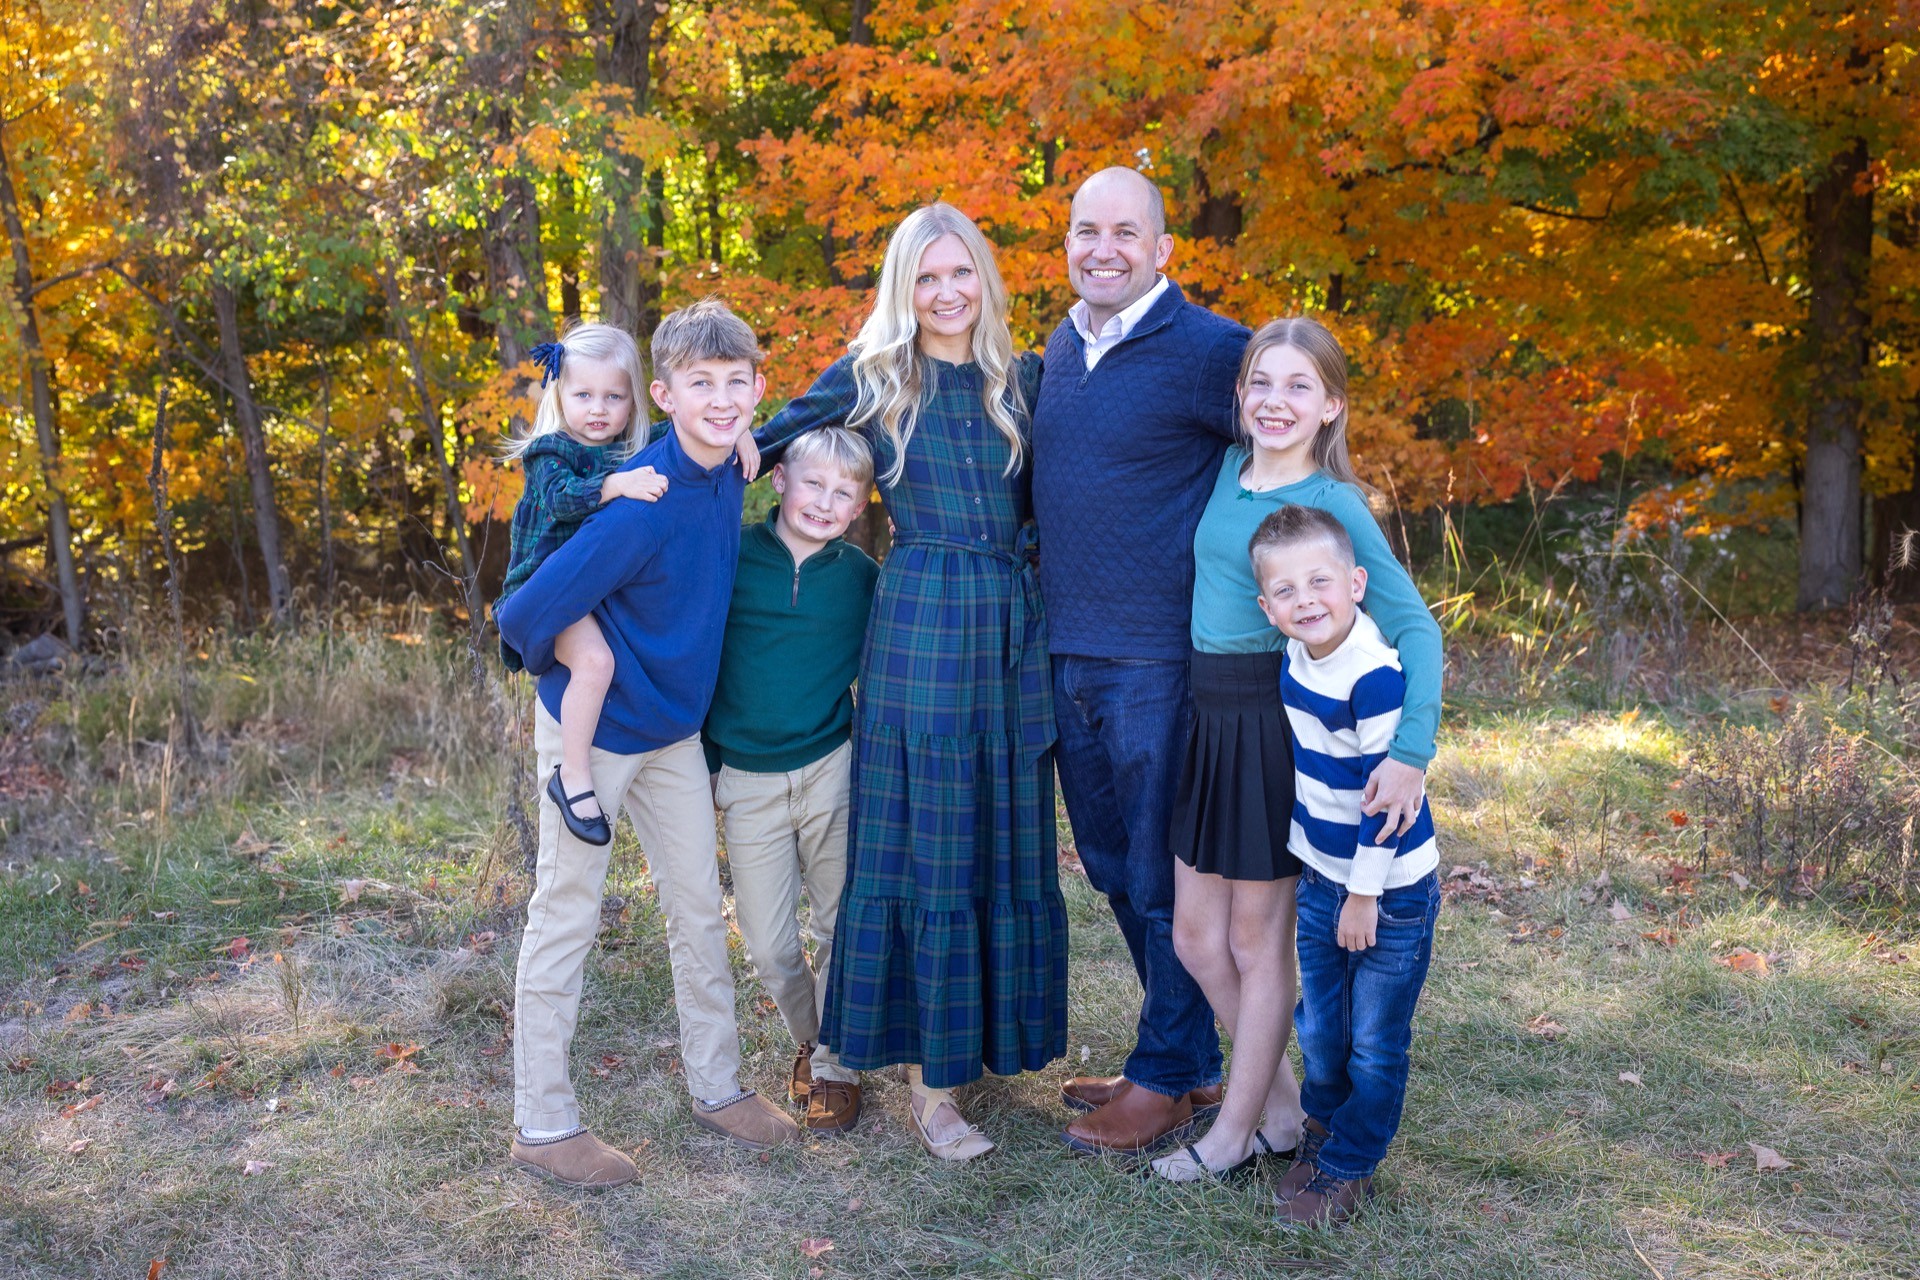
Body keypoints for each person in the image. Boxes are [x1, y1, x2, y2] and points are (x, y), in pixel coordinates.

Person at [752, 202, 1066, 1161]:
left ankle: (966, 1054)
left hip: (1012, 633)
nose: (946, 293)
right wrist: (641, 485)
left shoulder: (1029, 379)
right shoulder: (876, 376)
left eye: (960, 272)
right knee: (927, 848)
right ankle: (931, 1093)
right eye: (925, 278)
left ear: (985, 278)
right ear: (903, 287)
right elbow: (762, 444)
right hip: (923, 623)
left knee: (995, 841)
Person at [495, 299, 794, 1189]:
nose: (722, 399)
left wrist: (755, 441)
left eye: (736, 383)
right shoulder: (641, 506)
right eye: (700, 384)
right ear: (662, 395)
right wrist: (580, 667)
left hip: (674, 735)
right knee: (567, 915)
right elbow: (521, 614)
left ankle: (718, 1086)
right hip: (596, 734)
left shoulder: (732, 468)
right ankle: (543, 1125)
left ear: (755, 389)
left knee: (701, 909)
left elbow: (792, 424)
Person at [1030, 166, 1249, 1155]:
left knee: (1165, 877)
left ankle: (1165, 1076)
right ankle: (1190, 1055)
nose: (1103, 248)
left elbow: (1294, 438)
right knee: (1116, 868)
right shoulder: (1059, 348)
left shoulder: (1210, 350)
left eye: (1126, 231)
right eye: (1086, 230)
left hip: (1160, 662)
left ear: (1163, 248)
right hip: (1068, 650)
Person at [1247, 504, 1440, 1227]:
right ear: (1268, 608)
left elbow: (1385, 803)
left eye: (1320, 582)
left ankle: (1352, 1164)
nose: (1307, 601)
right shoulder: (1298, 657)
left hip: (1388, 888)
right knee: (1321, 1027)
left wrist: (1364, 896)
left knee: (1374, 1040)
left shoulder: (1376, 676)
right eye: (1287, 592)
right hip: (1324, 878)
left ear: (1357, 583)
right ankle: (1321, 1135)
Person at [704, 427, 880, 1135]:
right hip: (746, 775)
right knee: (771, 942)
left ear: (862, 504)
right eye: (813, 483)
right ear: (777, 478)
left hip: (831, 764)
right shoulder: (731, 556)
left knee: (841, 918)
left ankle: (836, 1062)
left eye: (845, 493)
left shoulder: (863, 576)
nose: (825, 502)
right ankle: (809, 1032)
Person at [497, 324, 668, 847]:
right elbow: (563, 499)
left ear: (633, 401)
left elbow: (687, 434)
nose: (599, 408)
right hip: (541, 590)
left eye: (614, 396)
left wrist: (737, 435)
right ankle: (572, 776)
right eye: (584, 395)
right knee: (596, 662)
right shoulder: (550, 453)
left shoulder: (627, 447)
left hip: (585, 592)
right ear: (559, 395)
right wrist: (618, 485)